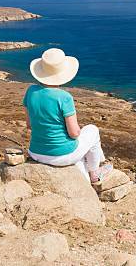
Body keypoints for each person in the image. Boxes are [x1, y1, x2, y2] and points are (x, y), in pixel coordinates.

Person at [23, 48, 112, 183]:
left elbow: (29, 125)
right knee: (93, 130)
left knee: (83, 143)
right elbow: (74, 134)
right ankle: (94, 174)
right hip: (61, 156)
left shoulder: (31, 91)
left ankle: (88, 169)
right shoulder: (64, 97)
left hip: (35, 153)